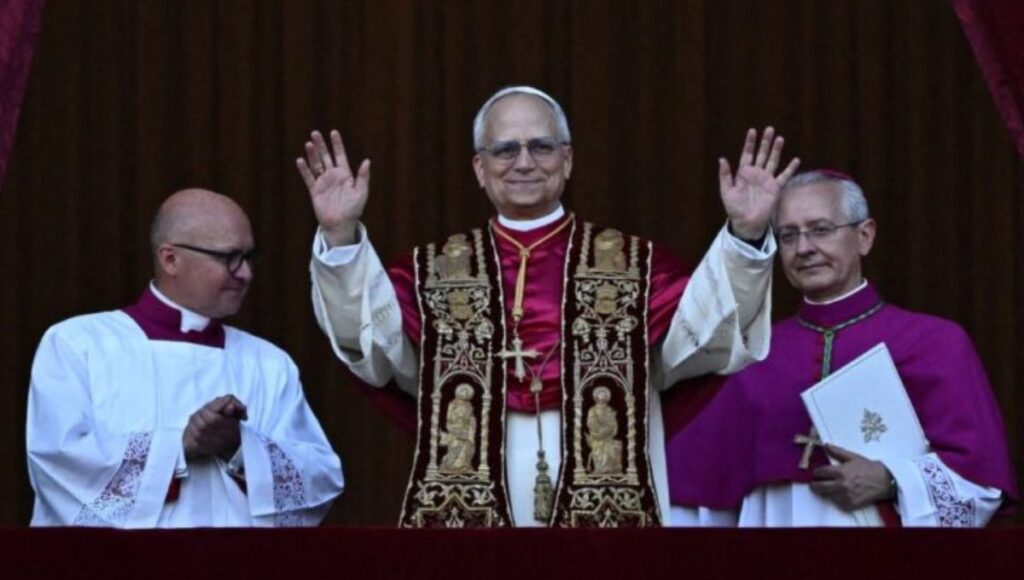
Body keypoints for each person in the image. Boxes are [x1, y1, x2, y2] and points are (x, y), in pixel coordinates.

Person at [299, 85, 799, 527]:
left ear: (568, 160)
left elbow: (706, 336)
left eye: (541, 146)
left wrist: (745, 234)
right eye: (504, 149)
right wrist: (341, 236)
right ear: (479, 167)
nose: (523, 162)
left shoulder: (633, 265)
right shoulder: (432, 273)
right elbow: (372, 347)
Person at [666, 170, 1017, 527]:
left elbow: (980, 484)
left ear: (864, 236)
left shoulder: (935, 342)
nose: (804, 248)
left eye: (821, 229)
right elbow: (698, 494)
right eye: (788, 235)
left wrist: (891, 479)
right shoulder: (753, 356)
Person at [27, 188, 344, 528]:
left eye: (249, 257)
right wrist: (178, 446)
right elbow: (57, 462)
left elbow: (321, 481)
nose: (245, 274)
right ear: (170, 259)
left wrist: (239, 448)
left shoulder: (269, 364)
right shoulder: (78, 344)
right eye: (229, 258)